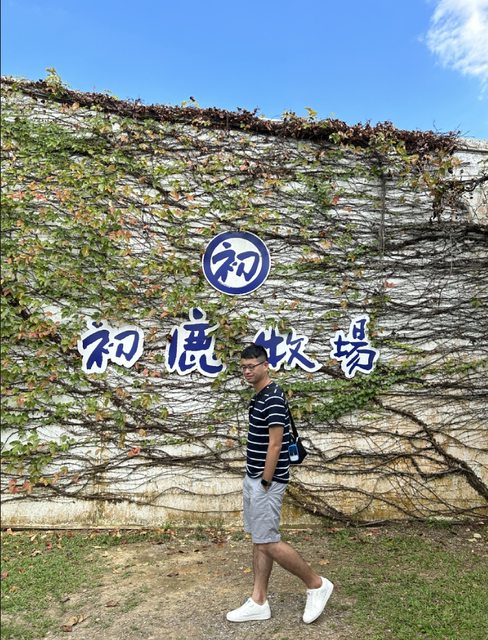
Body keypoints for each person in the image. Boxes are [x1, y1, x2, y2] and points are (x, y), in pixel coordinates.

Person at [226, 343, 334, 624]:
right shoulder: (259, 396)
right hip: (254, 477)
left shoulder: (273, 397)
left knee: (269, 542)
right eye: (243, 367)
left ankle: (317, 584)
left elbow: (276, 444)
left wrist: (265, 480)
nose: (247, 371)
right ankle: (258, 601)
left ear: (266, 366)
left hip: (266, 481)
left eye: (252, 366)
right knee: (260, 539)